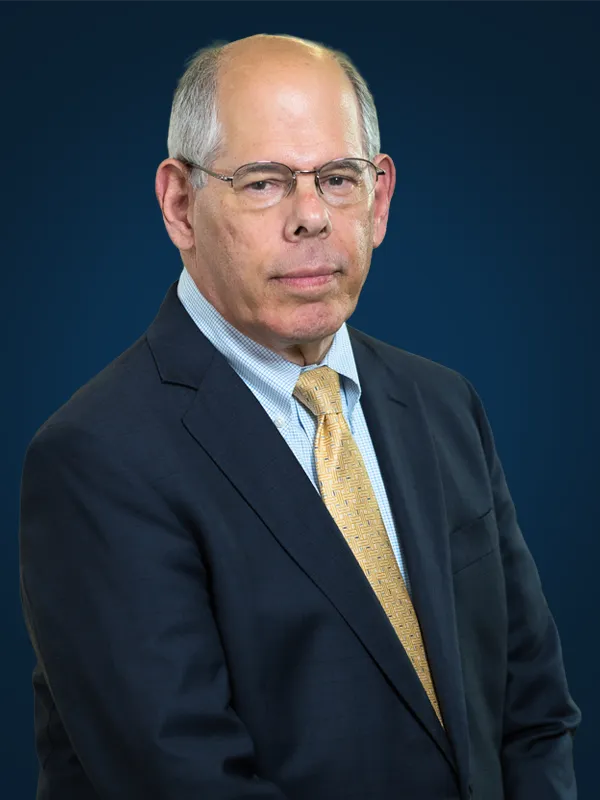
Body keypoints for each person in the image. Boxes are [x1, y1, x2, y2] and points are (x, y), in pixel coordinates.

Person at [19, 33, 581, 800]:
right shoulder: (96, 458)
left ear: (379, 199)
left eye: (338, 178)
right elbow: (182, 778)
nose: (311, 216)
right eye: (263, 182)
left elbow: (533, 713)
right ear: (180, 205)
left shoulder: (445, 404)